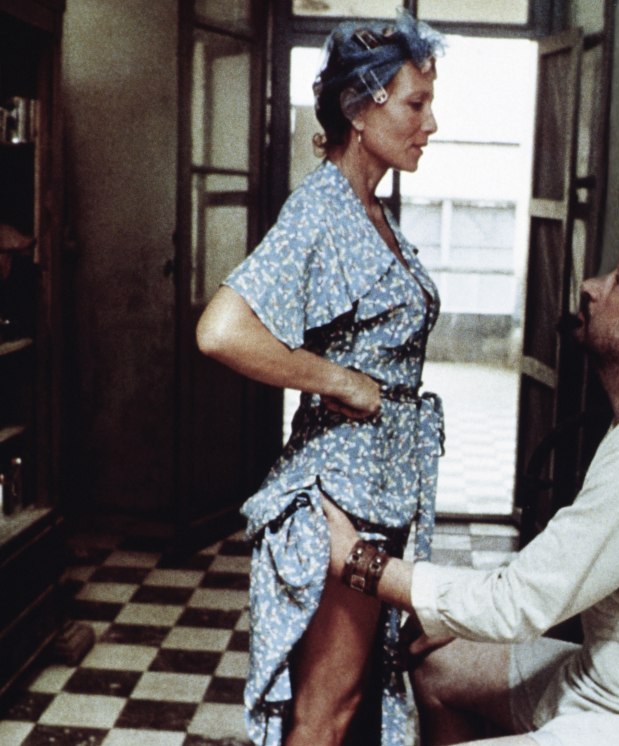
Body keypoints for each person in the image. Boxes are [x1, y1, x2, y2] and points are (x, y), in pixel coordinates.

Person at [320, 233, 619, 746]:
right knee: (440, 664)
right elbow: (553, 575)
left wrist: (358, 561)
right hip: (608, 686)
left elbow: (515, 604)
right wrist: (456, 618)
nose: (592, 286)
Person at [195, 11, 444, 746]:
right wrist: (336, 379)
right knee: (326, 711)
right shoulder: (322, 209)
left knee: (350, 702)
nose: (430, 124)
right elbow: (220, 330)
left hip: (379, 486)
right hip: (344, 494)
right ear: (360, 110)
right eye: (415, 105)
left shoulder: (368, 211)